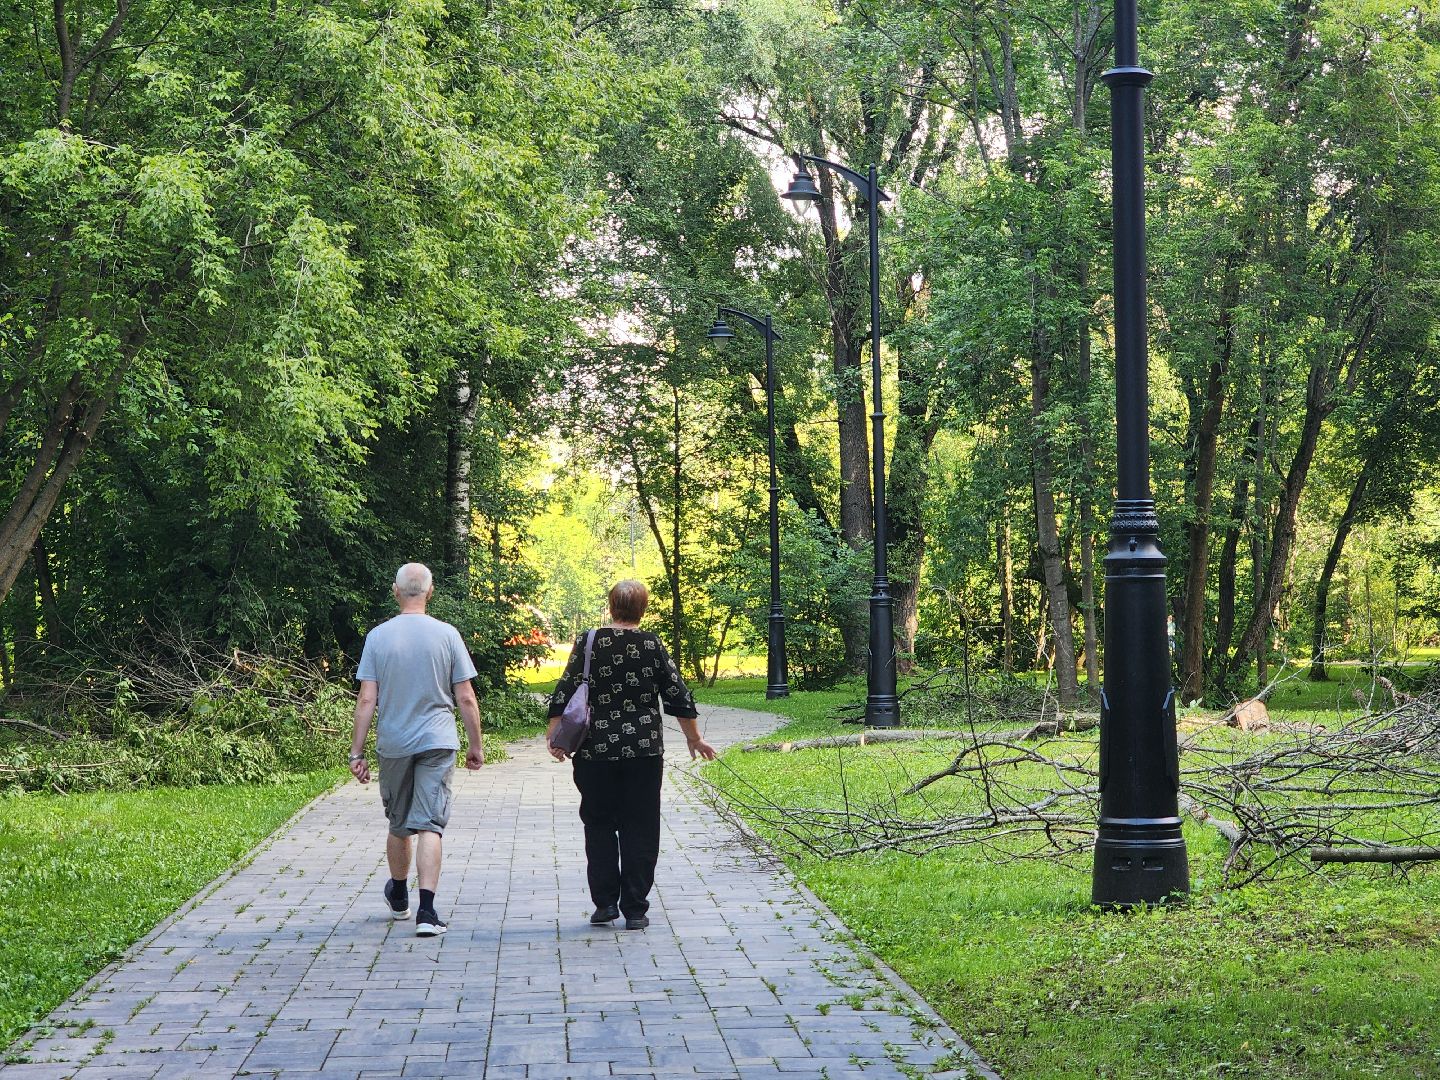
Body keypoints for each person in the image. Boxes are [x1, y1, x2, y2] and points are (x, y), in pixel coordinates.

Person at [546, 579, 716, 931]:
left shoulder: (590, 640)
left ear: (611, 606)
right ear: (643, 609)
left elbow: (565, 688)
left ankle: (605, 904)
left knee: (599, 824)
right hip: (643, 751)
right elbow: (678, 695)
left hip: (595, 751)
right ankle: (635, 909)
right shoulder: (651, 644)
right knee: (641, 826)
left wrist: (555, 734)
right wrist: (694, 739)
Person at [349, 563, 484, 936]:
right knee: (430, 825)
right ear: (430, 591)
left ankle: (399, 897)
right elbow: (466, 697)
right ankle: (428, 913)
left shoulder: (378, 637)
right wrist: (476, 745)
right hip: (438, 741)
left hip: (393, 743)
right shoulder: (447, 635)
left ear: (396, 591)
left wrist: (356, 753)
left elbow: (366, 700)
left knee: (399, 824)